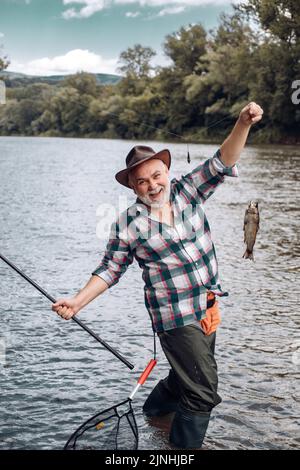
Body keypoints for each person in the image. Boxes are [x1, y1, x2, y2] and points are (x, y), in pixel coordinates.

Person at [52, 102, 263, 449]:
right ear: (133, 187)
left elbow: (222, 161)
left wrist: (243, 124)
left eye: (156, 176)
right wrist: (77, 302)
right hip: (174, 317)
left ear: (166, 171)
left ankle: (155, 408)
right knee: (203, 392)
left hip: (208, 303)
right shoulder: (127, 223)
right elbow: (109, 270)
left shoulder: (188, 191)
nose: (151, 185)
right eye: (141, 182)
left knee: (190, 377)